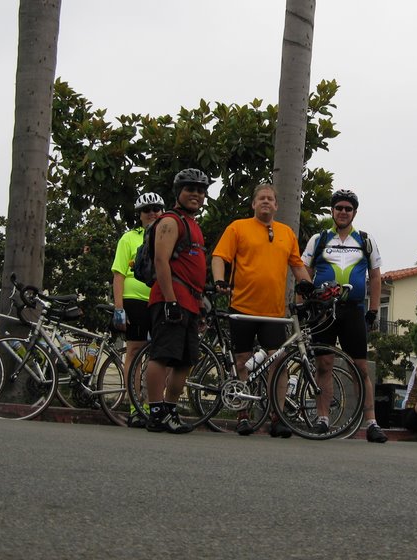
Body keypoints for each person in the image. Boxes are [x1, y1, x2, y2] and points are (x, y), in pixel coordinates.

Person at [211, 183, 312, 437]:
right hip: (242, 307)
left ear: (276, 206)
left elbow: (298, 266)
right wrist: (219, 280)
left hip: (274, 312)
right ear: (254, 204)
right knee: (242, 361)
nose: (266, 202)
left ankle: (278, 418)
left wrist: (311, 289)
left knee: (278, 363)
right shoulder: (238, 227)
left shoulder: (286, 233)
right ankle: (242, 414)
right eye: (261, 199)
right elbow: (219, 257)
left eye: (270, 199)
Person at [302, 188, 388, 443]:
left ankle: (371, 422)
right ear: (332, 210)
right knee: (323, 365)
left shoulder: (364, 239)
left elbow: (375, 276)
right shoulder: (319, 239)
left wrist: (373, 310)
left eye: (347, 209)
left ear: (354, 213)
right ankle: (322, 418)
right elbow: (304, 271)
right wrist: (302, 304)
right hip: (322, 311)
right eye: (339, 207)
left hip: (353, 310)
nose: (342, 212)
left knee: (360, 367)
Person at [144, 168, 210, 434]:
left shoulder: (193, 224)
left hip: (191, 301)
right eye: (190, 189)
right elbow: (161, 261)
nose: (196, 194)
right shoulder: (170, 221)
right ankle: (156, 412)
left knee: (185, 360)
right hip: (170, 298)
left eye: (201, 190)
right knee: (162, 355)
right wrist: (170, 300)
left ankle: (170, 410)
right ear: (178, 192)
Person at [111, 191, 165, 428]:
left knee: (161, 355)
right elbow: (119, 274)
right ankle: (135, 405)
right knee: (134, 351)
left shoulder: (168, 235)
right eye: (146, 210)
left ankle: (156, 404)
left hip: (160, 299)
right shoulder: (128, 238)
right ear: (140, 214)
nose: (152, 212)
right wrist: (119, 308)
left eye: (156, 208)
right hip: (134, 299)